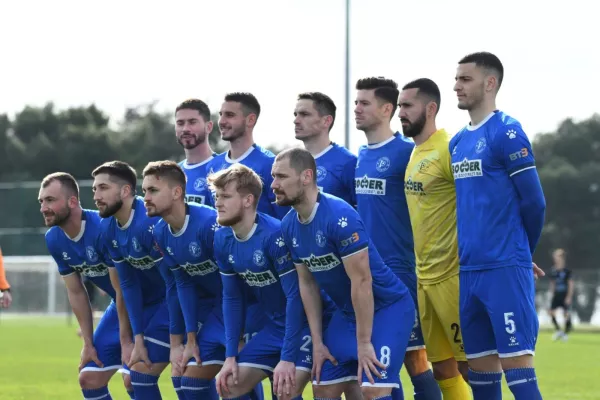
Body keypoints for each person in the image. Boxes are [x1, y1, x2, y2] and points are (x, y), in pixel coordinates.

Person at [275, 148, 415, 400]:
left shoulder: (340, 217)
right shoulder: (288, 225)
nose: (274, 184)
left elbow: (362, 281)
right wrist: (317, 343)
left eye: (281, 177)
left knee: (372, 387)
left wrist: (364, 343)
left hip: (387, 308)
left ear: (306, 177)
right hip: (347, 313)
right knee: (323, 389)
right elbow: (307, 285)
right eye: (273, 177)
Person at [451, 51, 546, 400]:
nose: (457, 86)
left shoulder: (507, 131)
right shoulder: (457, 142)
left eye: (465, 79)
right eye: (457, 78)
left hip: (504, 269)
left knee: (519, 374)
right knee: (482, 380)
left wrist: (522, 252)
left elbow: (535, 202)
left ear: (490, 83)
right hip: (469, 271)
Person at [354, 76, 441, 400]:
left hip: (401, 273)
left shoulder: (407, 153)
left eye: (365, 103)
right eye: (356, 102)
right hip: (365, 273)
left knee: (415, 360)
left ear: (386, 108)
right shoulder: (360, 156)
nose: (357, 109)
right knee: (379, 364)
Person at [208, 163, 315, 400]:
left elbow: (295, 297)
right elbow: (232, 298)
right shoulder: (222, 237)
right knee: (228, 386)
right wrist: (230, 357)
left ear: (248, 201)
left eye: (225, 196)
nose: (218, 202)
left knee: (284, 389)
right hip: (274, 326)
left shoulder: (274, 236)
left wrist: (287, 357)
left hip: (305, 324)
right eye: (217, 196)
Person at [399, 78, 471, 399]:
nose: (400, 112)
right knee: (442, 369)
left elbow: (477, 201)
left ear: (430, 109)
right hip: (423, 278)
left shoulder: (448, 149)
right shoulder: (415, 153)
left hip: (452, 277)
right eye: (399, 106)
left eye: (407, 106)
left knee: (473, 366)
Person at [39, 172, 134, 399]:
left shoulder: (103, 228)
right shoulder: (53, 239)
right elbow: (76, 291)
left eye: (50, 200)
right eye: (41, 201)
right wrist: (88, 344)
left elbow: (123, 288)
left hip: (148, 303)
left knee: (135, 377)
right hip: (121, 306)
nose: (43, 208)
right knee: (89, 378)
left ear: (73, 202)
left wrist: (126, 341)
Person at [92, 161, 171, 400]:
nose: (96, 195)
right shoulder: (107, 226)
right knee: (131, 377)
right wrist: (132, 339)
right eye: (94, 189)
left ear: (126, 191)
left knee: (144, 375)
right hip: (149, 303)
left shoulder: (150, 224)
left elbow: (177, 282)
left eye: (103, 188)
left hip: (175, 300)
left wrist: (182, 338)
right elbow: (126, 285)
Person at [209, 92, 289, 219]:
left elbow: (284, 220)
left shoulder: (270, 164)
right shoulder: (213, 164)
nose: (222, 121)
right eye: (221, 115)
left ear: (250, 120)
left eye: (230, 115)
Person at [293, 92, 356, 206]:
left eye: (304, 114)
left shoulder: (348, 162)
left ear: (326, 121)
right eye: (295, 114)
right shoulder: (291, 161)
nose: (296, 120)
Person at [175, 98, 218, 206]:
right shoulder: (173, 173)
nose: (185, 128)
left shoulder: (224, 168)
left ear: (208, 127)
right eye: (180, 123)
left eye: (192, 122)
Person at [548, 248, 574, 341]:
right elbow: (552, 284)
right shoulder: (553, 271)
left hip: (564, 295)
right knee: (551, 312)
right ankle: (559, 331)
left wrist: (569, 296)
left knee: (566, 314)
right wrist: (551, 295)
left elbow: (571, 284)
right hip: (556, 295)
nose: (555, 258)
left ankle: (565, 333)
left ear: (562, 258)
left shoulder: (567, 271)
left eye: (557, 256)